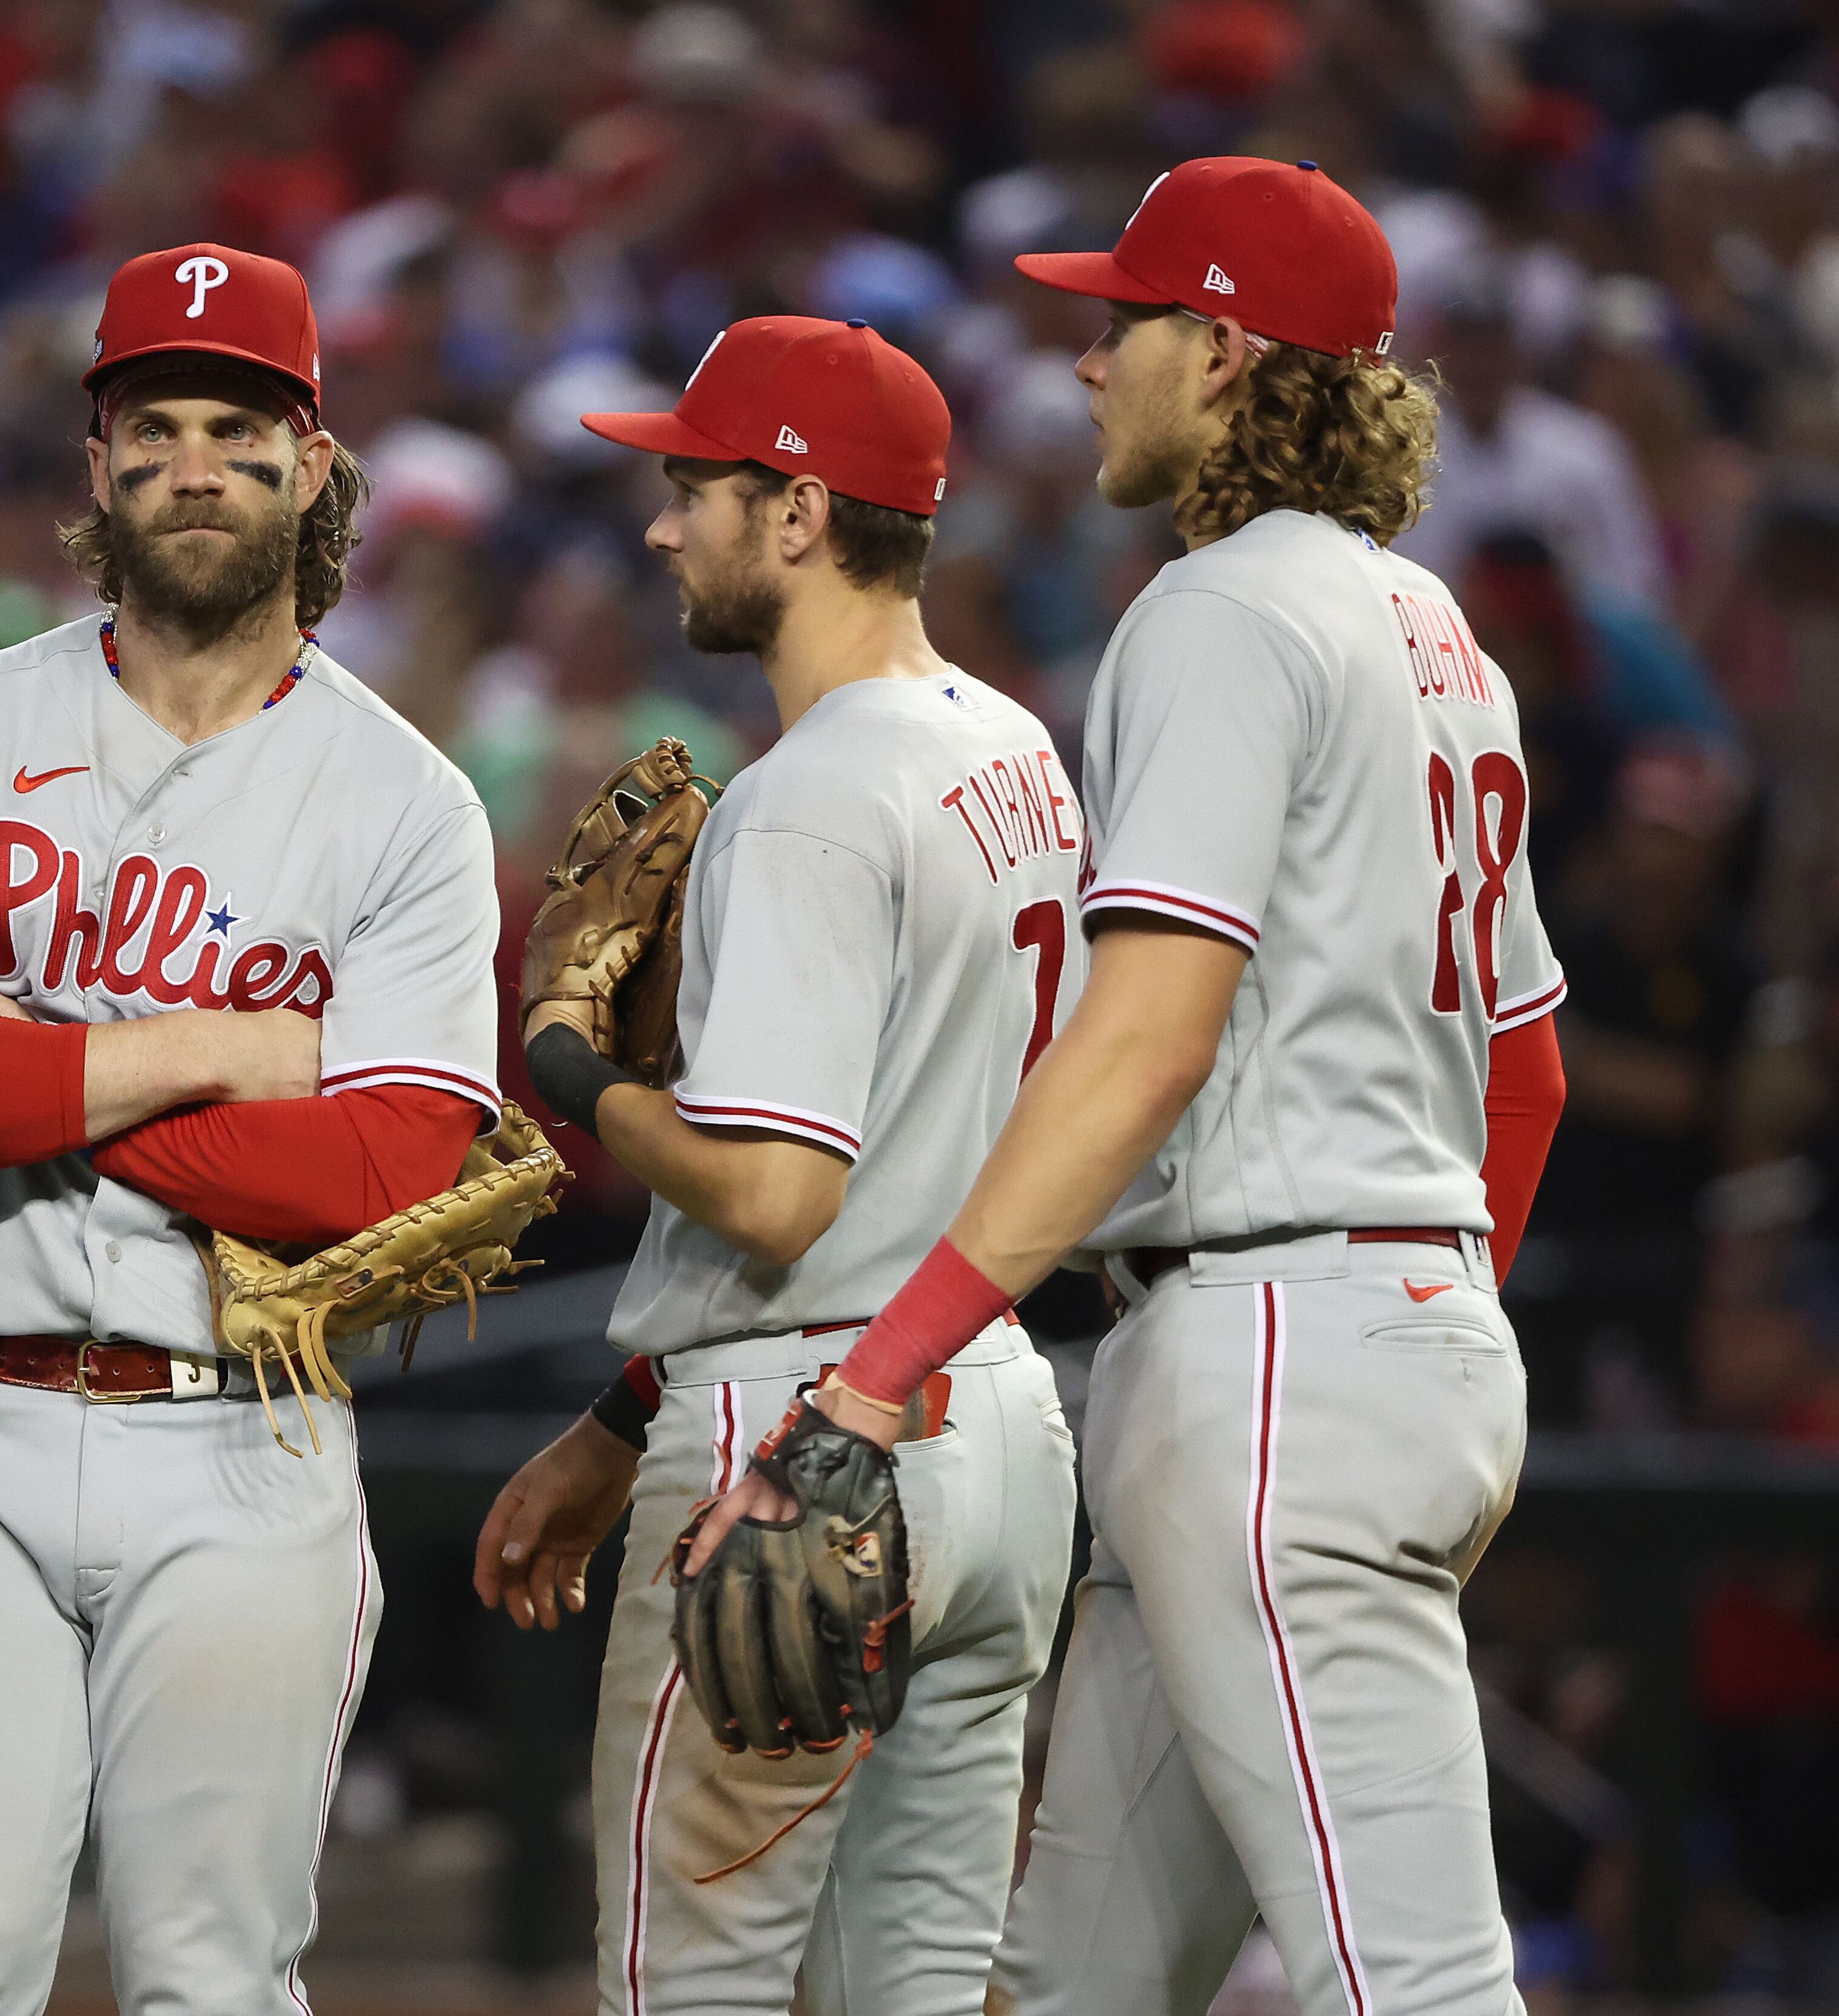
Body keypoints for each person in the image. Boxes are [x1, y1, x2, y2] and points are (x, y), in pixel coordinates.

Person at [682, 158, 1571, 2016]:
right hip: (1361, 1324)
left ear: (1230, 353)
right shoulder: (1436, 635)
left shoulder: (1224, 610)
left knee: (1407, 1984)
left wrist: (879, 1367)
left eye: (1124, 324)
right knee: (1070, 1981)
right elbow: (1529, 1069)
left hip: (1278, 1355)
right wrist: (1434, 1316)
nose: (1089, 364)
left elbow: (1150, 1035)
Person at [0, 242, 500, 2015]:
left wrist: (36, 1079)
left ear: (312, 465)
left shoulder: (406, 796)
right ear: (97, 463)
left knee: (211, 1982)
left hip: (242, 1443)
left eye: (239, 428)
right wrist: (217, 1055)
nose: (196, 462)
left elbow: (375, 1179)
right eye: (156, 425)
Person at [471, 317, 1082, 2016]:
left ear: (799, 512)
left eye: (696, 488)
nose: (666, 527)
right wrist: (616, 1423)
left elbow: (777, 1196)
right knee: (929, 1990)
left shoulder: (811, 794)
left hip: (797, 1446)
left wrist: (571, 1067)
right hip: (997, 1422)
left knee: (695, 1991)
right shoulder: (1015, 747)